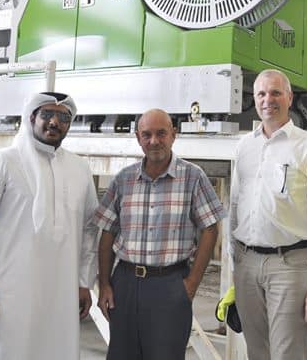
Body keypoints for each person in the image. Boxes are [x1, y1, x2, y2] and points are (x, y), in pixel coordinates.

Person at [0, 92, 99, 360]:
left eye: (63, 117)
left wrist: (84, 282)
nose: (54, 123)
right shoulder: (4, 161)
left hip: (62, 291)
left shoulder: (80, 168)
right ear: (31, 117)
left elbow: (90, 229)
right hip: (8, 292)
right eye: (47, 115)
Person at [95, 109, 225, 360]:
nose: (154, 141)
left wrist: (191, 284)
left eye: (161, 133)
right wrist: (104, 284)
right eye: (147, 135)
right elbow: (107, 233)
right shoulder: (124, 179)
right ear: (138, 138)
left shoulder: (193, 177)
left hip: (170, 283)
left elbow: (210, 228)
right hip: (126, 283)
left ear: (173, 135)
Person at [229, 68, 307, 360]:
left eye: (276, 92)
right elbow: (235, 205)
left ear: (289, 98)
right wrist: (235, 261)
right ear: (254, 99)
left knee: (288, 354)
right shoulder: (244, 147)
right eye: (262, 94)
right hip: (246, 265)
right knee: (256, 352)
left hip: (290, 267)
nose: (269, 100)